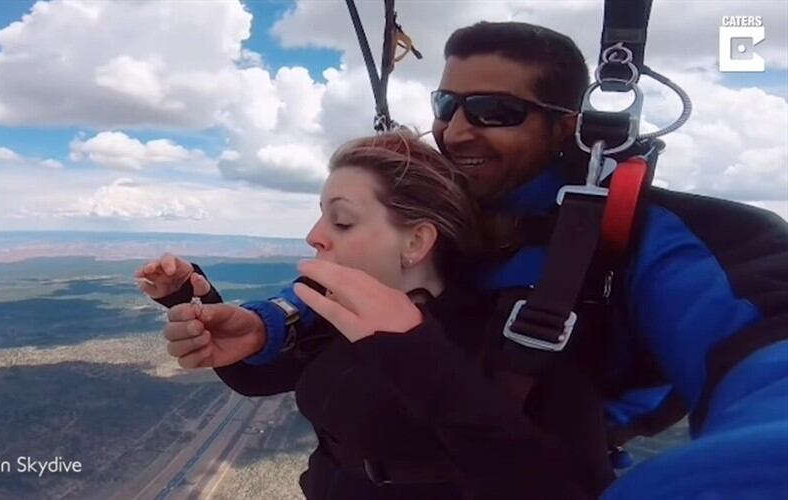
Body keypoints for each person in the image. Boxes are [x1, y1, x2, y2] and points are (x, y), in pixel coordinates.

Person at [143, 22, 788, 500]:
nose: (456, 131)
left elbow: (769, 371)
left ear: (571, 126)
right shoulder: (436, 219)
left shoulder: (653, 239)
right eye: (446, 106)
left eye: (495, 112)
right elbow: (335, 305)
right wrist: (255, 323)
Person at [138, 131, 615, 499]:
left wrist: (415, 356)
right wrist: (191, 303)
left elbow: (560, 487)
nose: (314, 235)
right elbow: (259, 380)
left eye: (341, 220)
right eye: (321, 215)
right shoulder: (343, 320)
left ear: (416, 242)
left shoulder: (513, 343)